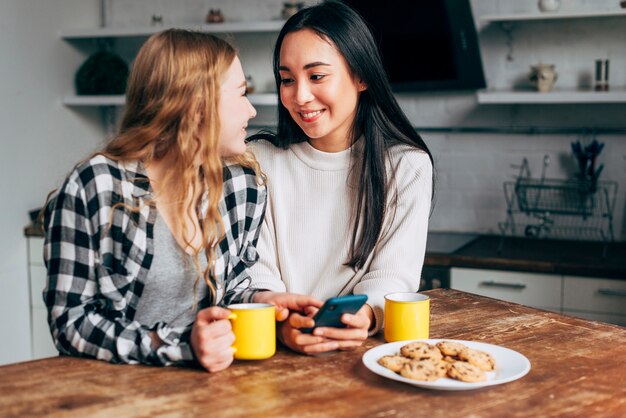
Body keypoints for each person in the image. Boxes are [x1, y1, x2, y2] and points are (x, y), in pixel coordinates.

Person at [43, 29, 318, 372]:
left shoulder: (242, 185)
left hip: (210, 386)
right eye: (241, 94)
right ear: (196, 105)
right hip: (113, 390)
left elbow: (230, 292)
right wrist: (177, 345)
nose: (251, 110)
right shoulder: (97, 186)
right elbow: (71, 323)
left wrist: (266, 301)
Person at [248, 1, 434, 355]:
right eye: (287, 79)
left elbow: (394, 274)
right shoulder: (257, 159)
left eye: (316, 76)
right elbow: (255, 269)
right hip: (270, 351)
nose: (299, 96)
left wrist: (365, 315)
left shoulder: (407, 167)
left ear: (361, 76)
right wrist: (283, 320)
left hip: (361, 353)